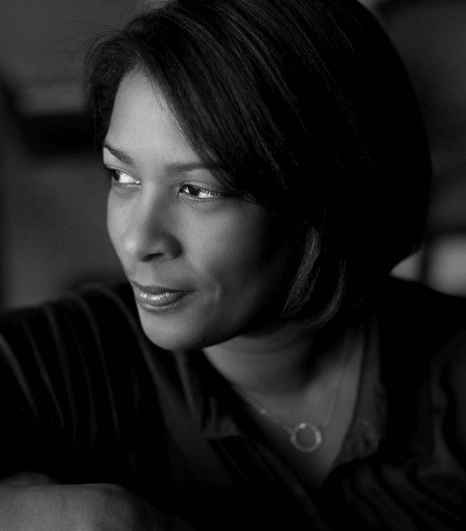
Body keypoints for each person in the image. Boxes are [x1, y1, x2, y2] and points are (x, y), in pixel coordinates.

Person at [0, 0, 465, 529]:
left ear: (324, 196)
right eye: (122, 177)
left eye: (197, 189)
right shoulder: (67, 359)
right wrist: (87, 513)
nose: (136, 241)